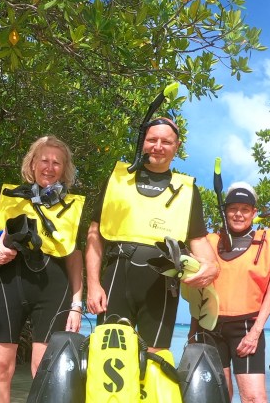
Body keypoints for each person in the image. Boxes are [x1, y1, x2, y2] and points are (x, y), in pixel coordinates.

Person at [0, 135, 84, 403]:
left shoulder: (72, 207)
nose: (49, 167)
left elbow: (75, 258)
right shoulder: (11, 198)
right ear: (32, 164)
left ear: (64, 169)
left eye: (56, 162)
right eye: (43, 160)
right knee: (1, 367)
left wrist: (77, 303)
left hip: (54, 291)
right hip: (8, 285)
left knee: (42, 370)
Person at [84, 118, 217, 350]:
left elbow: (198, 238)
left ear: (176, 148)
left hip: (162, 283)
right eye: (152, 139)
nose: (158, 146)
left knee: (155, 358)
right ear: (142, 143)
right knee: (110, 355)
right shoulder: (118, 179)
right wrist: (93, 285)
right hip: (117, 276)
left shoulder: (187, 190)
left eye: (166, 142)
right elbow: (95, 233)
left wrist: (213, 266)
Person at [199, 182, 270, 403]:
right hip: (211, 326)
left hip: (247, 326)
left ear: (254, 213)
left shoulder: (267, 241)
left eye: (244, 209)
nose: (238, 214)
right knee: (221, 397)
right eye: (233, 208)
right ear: (225, 211)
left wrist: (259, 329)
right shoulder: (208, 241)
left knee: (255, 399)